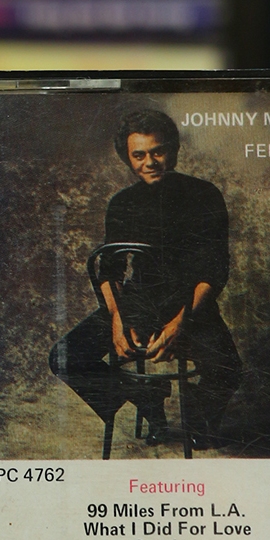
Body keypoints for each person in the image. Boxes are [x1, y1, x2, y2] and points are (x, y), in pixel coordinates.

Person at [48, 108, 242, 450]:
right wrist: (117, 319)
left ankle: (198, 422)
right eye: (139, 155)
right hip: (138, 302)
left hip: (190, 303)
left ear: (173, 150)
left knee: (227, 368)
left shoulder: (204, 195)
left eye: (158, 152)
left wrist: (181, 322)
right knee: (65, 356)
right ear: (128, 158)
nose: (149, 162)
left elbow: (213, 271)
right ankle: (148, 401)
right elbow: (109, 271)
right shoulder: (121, 203)